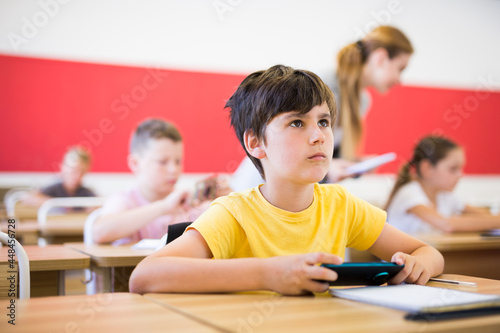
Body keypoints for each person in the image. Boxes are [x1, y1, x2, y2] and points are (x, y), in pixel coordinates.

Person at [129, 65, 443, 295]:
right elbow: (145, 275)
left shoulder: (341, 205)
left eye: (323, 121)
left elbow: (427, 253)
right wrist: (268, 274)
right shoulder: (234, 213)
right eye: (296, 122)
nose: (318, 136)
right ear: (255, 143)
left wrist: (421, 265)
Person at [230, 25, 414, 191]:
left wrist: (353, 164)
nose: (400, 80)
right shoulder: (322, 87)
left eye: (324, 123)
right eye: (400, 68)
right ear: (381, 57)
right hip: (265, 182)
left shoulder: (362, 101)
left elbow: (329, 151)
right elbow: (291, 143)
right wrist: (330, 168)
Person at [92, 118, 230, 245]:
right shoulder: (125, 200)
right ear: (135, 163)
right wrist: (164, 207)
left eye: (178, 161)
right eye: (162, 162)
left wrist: (227, 202)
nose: (173, 169)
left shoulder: (187, 203)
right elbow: (99, 232)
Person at [385, 136, 500, 234]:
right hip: (399, 259)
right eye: (453, 169)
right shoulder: (409, 193)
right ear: (427, 168)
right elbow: (446, 224)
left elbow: (485, 215)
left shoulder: (445, 196)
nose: (460, 175)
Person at [22, 146, 96, 207]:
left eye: (82, 172)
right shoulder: (54, 188)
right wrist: (57, 205)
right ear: (64, 168)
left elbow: (98, 204)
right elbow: (27, 197)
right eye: (73, 170)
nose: (77, 176)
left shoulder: (85, 193)